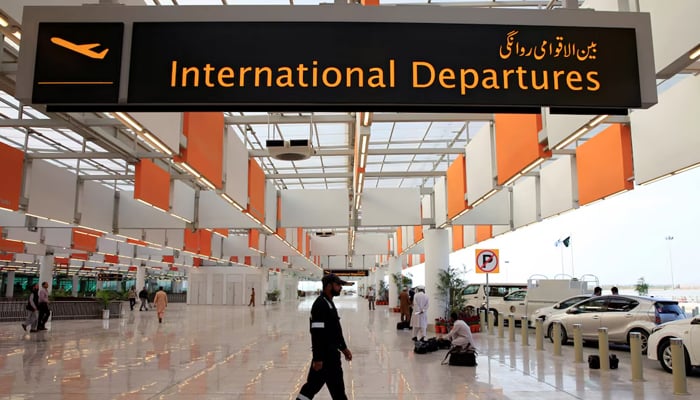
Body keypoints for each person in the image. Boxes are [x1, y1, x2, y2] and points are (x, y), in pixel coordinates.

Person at [295, 274, 353, 400]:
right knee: (315, 388)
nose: (340, 288)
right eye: (338, 285)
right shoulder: (320, 305)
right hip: (325, 358)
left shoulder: (328, 302)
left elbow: (335, 331)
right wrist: (317, 358)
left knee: (324, 389)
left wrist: (344, 348)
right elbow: (317, 334)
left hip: (331, 355)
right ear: (328, 286)